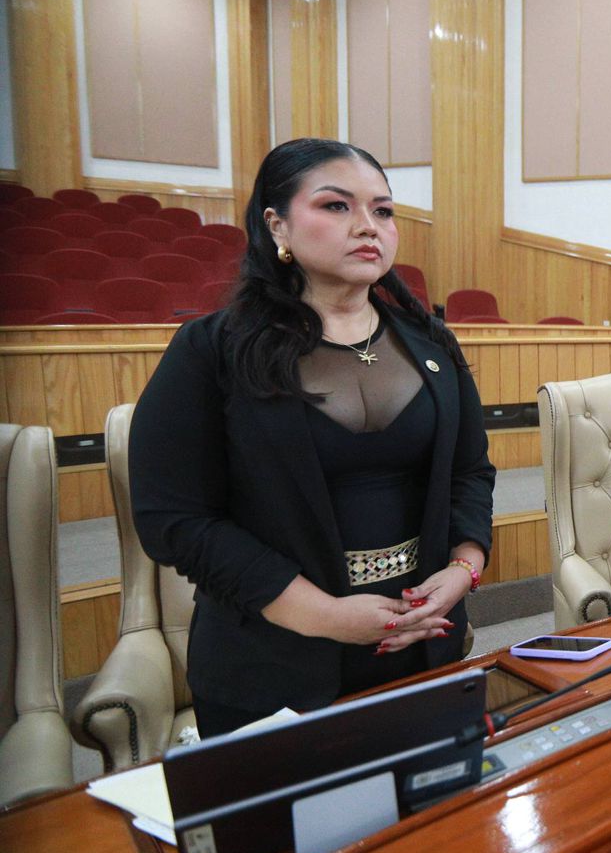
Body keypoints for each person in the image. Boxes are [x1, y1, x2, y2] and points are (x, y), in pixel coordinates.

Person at [130, 138, 494, 736]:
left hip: (420, 648)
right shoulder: (211, 350)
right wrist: (325, 615)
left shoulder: (431, 343)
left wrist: (463, 568)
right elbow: (174, 519)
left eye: (383, 210)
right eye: (335, 206)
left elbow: (470, 472)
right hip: (274, 664)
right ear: (277, 225)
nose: (367, 226)